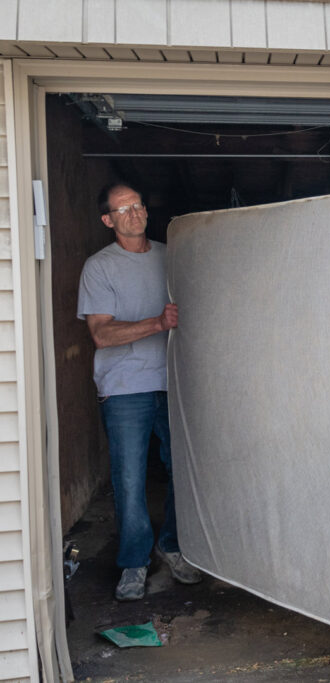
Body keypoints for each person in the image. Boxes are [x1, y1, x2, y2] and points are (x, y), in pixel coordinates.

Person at [77, 182, 201, 601]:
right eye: (123, 208)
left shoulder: (173, 257)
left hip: (174, 381)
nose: (134, 212)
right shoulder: (100, 267)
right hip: (125, 386)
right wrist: (156, 324)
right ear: (108, 220)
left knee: (181, 472)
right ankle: (133, 563)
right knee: (129, 479)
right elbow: (101, 334)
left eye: (138, 205)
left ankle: (173, 546)